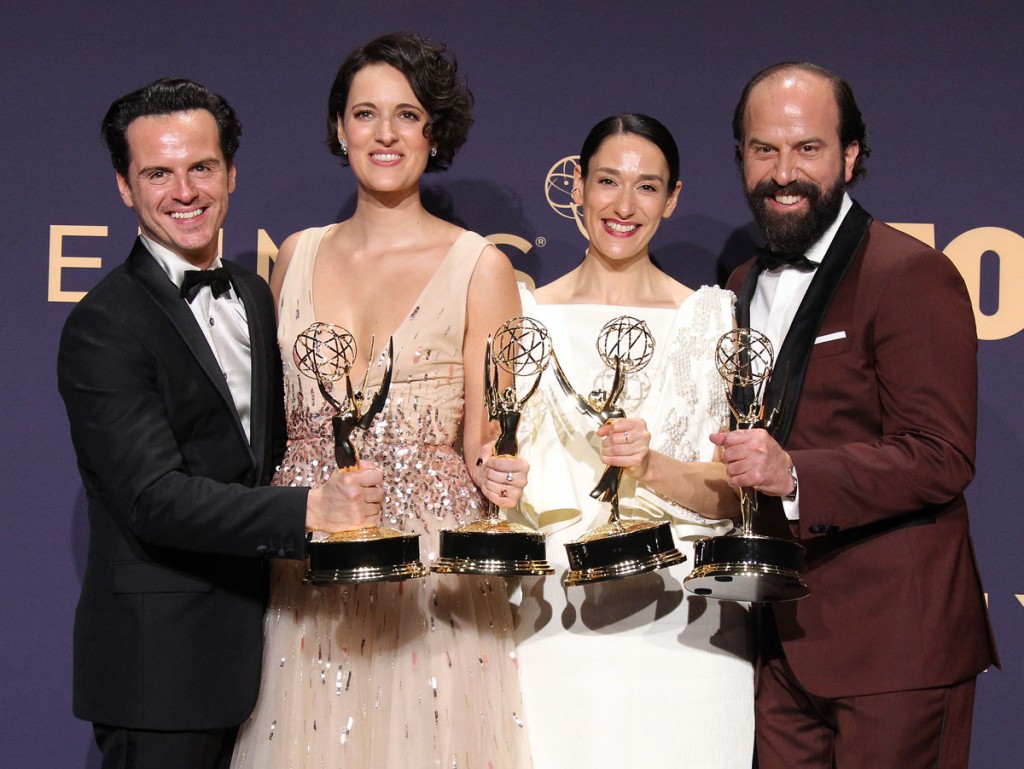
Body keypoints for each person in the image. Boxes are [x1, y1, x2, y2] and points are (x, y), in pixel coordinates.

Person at [57, 79, 383, 769]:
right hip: (162, 670)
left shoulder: (255, 294)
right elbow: (153, 497)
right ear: (124, 186)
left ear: (230, 173)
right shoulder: (103, 326)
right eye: (157, 173)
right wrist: (311, 509)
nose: (184, 191)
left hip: (272, 653)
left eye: (201, 167)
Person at [230, 34, 531, 768]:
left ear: (436, 130)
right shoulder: (295, 254)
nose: (386, 133)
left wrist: (498, 471)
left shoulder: (481, 267)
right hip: (307, 560)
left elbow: (488, 441)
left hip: (429, 574)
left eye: (408, 114)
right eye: (365, 113)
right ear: (340, 128)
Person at [711, 62, 999, 768]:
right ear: (742, 157)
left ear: (849, 156)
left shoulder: (910, 273)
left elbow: (941, 454)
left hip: (895, 646)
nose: (784, 172)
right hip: (782, 642)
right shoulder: (742, 284)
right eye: (764, 149)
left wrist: (794, 472)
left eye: (807, 148)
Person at [509, 114, 755, 768]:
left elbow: (735, 499)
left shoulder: (713, 320)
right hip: (554, 632)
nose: (623, 205)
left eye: (646, 187)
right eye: (608, 182)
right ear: (578, 190)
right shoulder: (523, 318)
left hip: (688, 636)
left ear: (672, 199)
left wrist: (649, 463)